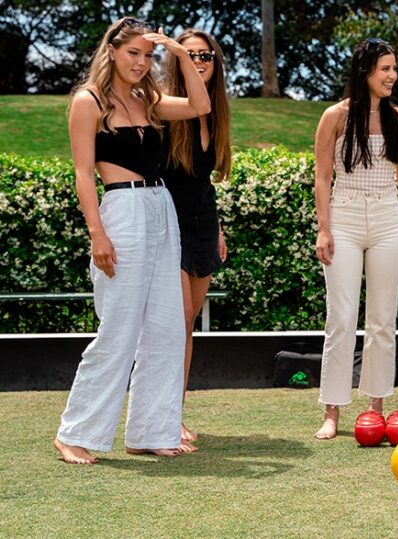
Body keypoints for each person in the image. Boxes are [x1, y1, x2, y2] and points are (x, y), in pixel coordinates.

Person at [54, 17, 211, 464]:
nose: (141, 63)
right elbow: (84, 173)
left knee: (166, 328)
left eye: (148, 55)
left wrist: (179, 55)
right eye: (133, 54)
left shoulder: (149, 99)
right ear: (112, 52)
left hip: (163, 210)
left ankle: (150, 430)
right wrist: (97, 233)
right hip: (121, 211)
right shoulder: (88, 101)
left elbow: (200, 106)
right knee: (119, 328)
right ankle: (74, 432)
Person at [312, 38, 398, 440]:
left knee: (382, 319)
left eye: (394, 68)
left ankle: (375, 407)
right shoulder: (335, 117)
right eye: (385, 69)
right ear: (365, 72)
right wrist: (324, 228)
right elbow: (322, 178)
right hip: (343, 215)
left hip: (388, 218)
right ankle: (332, 411)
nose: (392, 75)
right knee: (340, 317)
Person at [160, 29, 232, 453]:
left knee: (186, 326)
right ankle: (165, 414)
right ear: (177, 61)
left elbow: (205, 181)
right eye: (189, 55)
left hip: (203, 223)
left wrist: (219, 228)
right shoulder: (167, 107)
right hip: (169, 223)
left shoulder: (214, 113)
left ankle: (175, 412)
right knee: (177, 320)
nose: (199, 60)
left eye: (205, 55)